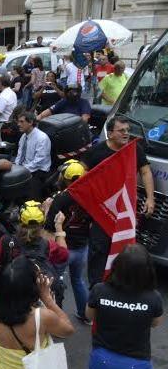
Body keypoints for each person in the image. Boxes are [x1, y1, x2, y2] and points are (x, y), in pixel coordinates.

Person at [81, 115, 154, 286]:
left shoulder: (135, 150)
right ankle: (96, 290)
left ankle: (119, 288)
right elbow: (81, 174)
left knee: (124, 251)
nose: (126, 134)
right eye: (122, 131)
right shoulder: (96, 151)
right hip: (100, 212)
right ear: (110, 133)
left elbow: (145, 172)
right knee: (99, 251)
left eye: (128, 131)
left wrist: (150, 198)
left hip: (125, 212)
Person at [43, 160, 91, 323]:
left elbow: (49, 226)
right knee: (78, 280)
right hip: (82, 246)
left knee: (55, 284)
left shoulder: (61, 199)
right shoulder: (90, 194)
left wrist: (46, 210)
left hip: (63, 248)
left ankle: (57, 320)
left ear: (66, 178)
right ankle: (85, 315)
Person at [15, 111, 52, 200]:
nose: (18, 124)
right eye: (18, 122)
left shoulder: (42, 138)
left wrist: (22, 171)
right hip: (25, 167)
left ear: (31, 122)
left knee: (32, 194)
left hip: (38, 171)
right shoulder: (23, 136)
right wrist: (16, 167)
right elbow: (19, 155)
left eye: (21, 122)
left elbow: (39, 161)